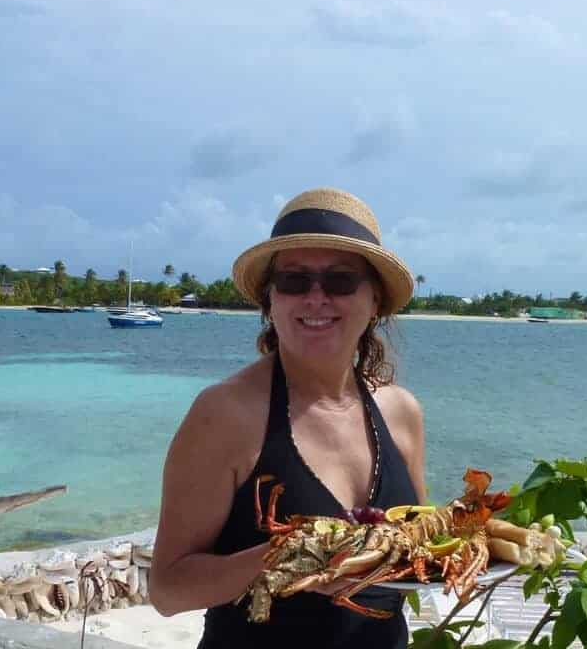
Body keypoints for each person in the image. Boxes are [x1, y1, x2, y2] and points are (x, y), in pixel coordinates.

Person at [149, 187, 428, 648]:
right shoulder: (226, 414)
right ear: (271, 300)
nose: (316, 298)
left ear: (374, 299)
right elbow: (167, 590)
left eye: (340, 280)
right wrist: (292, 557)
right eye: (295, 281)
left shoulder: (401, 412)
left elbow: (417, 549)